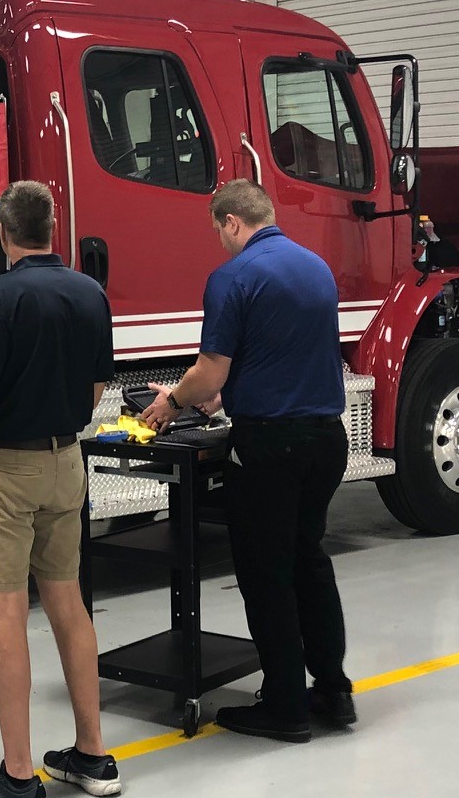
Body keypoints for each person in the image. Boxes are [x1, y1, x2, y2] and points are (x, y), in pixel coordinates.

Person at [140, 180, 355, 743]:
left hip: (270, 446)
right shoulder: (316, 267)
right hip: (326, 439)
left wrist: (172, 401)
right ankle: (332, 691)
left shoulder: (233, 276)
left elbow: (210, 368)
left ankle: (284, 707)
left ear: (232, 222)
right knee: (308, 560)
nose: (220, 240)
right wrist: (225, 395)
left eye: (219, 230)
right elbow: (283, 352)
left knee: (266, 574)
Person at [0, 180, 118, 798]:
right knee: (68, 602)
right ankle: (92, 755)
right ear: (52, 227)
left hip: (6, 469)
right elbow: (95, 391)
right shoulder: (90, 293)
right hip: (66, 462)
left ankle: (18, 779)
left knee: (5, 613)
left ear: (4, 234)